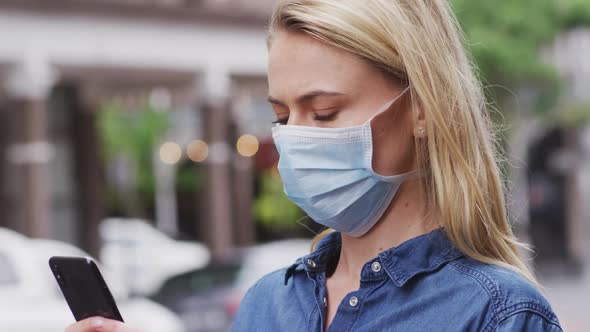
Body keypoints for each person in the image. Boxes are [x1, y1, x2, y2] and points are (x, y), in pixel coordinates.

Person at [66, 0, 562, 331]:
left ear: (422, 111)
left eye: (323, 113)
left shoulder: (498, 313)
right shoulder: (266, 305)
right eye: (281, 116)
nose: (295, 139)